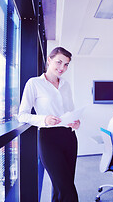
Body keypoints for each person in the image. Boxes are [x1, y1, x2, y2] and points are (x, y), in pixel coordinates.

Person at [18, 47, 80, 202]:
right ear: (49, 60)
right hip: (49, 139)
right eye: (59, 62)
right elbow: (22, 115)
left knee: (61, 188)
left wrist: (75, 122)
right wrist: (44, 119)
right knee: (68, 190)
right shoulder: (34, 83)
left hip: (70, 138)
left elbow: (70, 111)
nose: (62, 68)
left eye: (66, 65)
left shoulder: (66, 85)